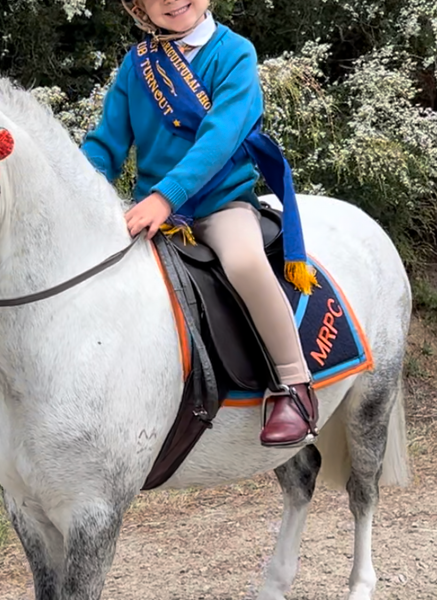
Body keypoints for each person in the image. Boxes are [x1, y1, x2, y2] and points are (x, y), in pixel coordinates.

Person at [81, 0, 319, 447]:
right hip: (153, 211)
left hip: (220, 204)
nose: (172, 0)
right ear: (139, 7)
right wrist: (75, 192)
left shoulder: (235, 52)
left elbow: (221, 137)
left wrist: (165, 197)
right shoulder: (137, 66)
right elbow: (105, 145)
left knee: (245, 262)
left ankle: (294, 386)